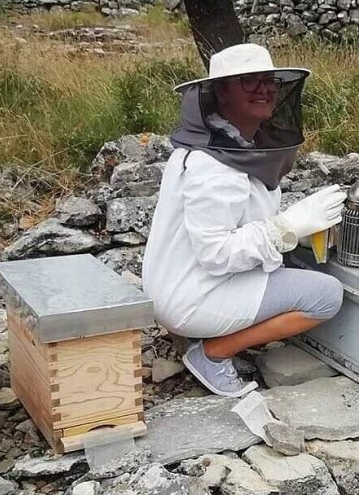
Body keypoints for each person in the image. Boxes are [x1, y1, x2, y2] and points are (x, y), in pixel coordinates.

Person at [142, 44, 346, 398]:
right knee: (326, 295)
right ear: (220, 92)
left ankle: (208, 331)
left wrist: (297, 229)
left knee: (302, 264)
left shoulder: (221, 145)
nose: (264, 89)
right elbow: (217, 253)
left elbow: (238, 221)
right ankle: (212, 353)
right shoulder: (214, 167)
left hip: (176, 283)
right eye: (248, 81)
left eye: (268, 81)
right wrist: (287, 228)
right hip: (193, 296)